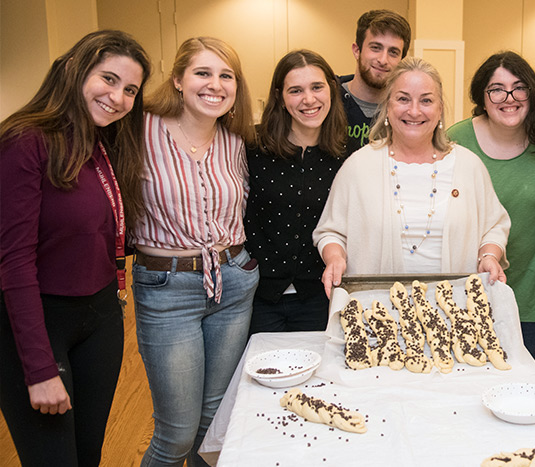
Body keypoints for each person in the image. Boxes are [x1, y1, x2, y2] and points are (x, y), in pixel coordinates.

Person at [0, 30, 150, 466]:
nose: (118, 97)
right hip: (38, 325)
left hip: (100, 320)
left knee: (87, 456)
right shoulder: (25, 142)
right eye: (108, 79)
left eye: (130, 90)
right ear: (74, 69)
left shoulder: (103, 145)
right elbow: (14, 264)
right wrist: (40, 369)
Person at [129, 37, 258, 466]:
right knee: (176, 435)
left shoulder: (235, 142)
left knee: (212, 424)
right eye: (203, 73)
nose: (215, 85)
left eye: (226, 76)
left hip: (233, 283)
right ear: (178, 79)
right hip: (167, 289)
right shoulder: (137, 130)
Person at [314, 57, 511, 296]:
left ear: (439, 109)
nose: (414, 110)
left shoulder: (468, 166)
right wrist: (335, 258)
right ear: (388, 106)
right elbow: (331, 232)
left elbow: (494, 226)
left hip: (454, 313)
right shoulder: (358, 167)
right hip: (377, 312)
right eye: (403, 99)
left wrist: (489, 256)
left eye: (426, 100)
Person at [447, 51, 535, 362]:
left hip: (531, 282)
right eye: (496, 89)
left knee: (521, 377)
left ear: (532, 94)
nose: (508, 97)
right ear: (481, 97)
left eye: (519, 87)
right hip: (468, 282)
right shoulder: (456, 140)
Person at [245, 50, 347, 333]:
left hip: (320, 296)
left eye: (317, 87)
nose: (309, 99)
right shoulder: (251, 147)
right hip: (257, 297)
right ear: (280, 96)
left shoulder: (349, 155)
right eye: (296, 90)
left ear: (331, 89)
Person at [338, 9, 412, 155]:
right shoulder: (328, 101)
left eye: (393, 52)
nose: (383, 60)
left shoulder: (408, 111)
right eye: (376, 48)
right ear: (357, 50)